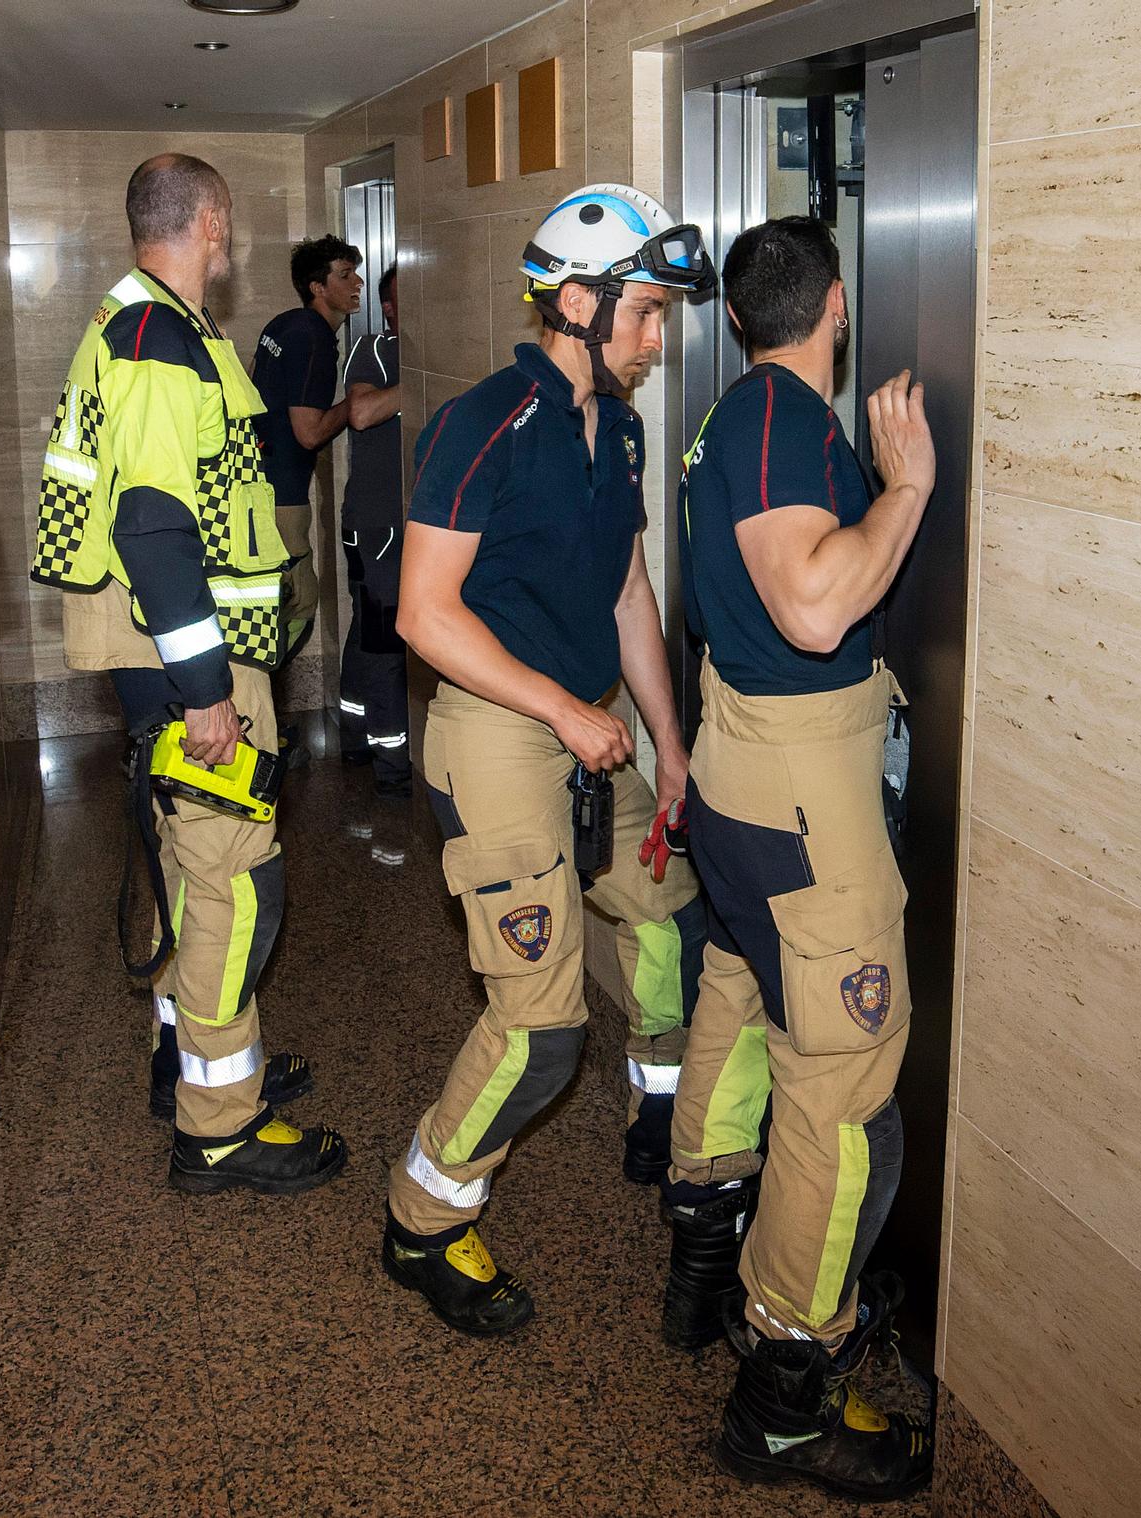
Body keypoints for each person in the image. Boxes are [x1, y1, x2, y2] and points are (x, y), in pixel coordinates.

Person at [379, 184, 715, 1337]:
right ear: (577, 304)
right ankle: (423, 1219)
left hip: (589, 731)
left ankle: (658, 1113)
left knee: (668, 915)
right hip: (496, 734)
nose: (656, 339)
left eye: (660, 316)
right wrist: (565, 713)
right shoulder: (482, 423)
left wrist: (669, 746)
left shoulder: (616, 430)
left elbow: (626, 592)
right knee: (540, 1030)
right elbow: (423, 614)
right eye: (646, 314)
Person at [665, 215, 936, 1499]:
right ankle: (783, 1390)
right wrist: (906, 488)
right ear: (835, 307)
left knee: (736, 993)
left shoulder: (732, 416)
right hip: (797, 797)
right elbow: (816, 607)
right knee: (843, 1092)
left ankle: (703, 1254)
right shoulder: (777, 418)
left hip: (740, 777)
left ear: (733, 318)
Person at [31, 153, 343, 1194]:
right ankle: (219, 1124)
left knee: (186, 872)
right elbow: (154, 524)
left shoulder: (142, 324)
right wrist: (208, 691)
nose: (230, 237)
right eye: (228, 222)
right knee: (233, 886)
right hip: (189, 666)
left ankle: (191, 1060)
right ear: (211, 222)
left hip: (164, 657)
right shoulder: (158, 342)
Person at [252, 234, 365, 735]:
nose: (357, 282)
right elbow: (309, 431)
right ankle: (252, 713)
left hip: (257, 488)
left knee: (270, 607)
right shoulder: (314, 337)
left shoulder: (282, 324)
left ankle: (254, 714)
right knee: (297, 604)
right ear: (318, 287)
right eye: (345, 274)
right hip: (283, 499)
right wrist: (358, 405)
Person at [336, 265, 411, 794]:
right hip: (374, 528)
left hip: (398, 524)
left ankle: (356, 735)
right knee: (384, 641)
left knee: (367, 630)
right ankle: (393, 766)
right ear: (388, 308)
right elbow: (360, 412)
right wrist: (418, 386)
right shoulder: (374, 350)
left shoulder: (425, 355)